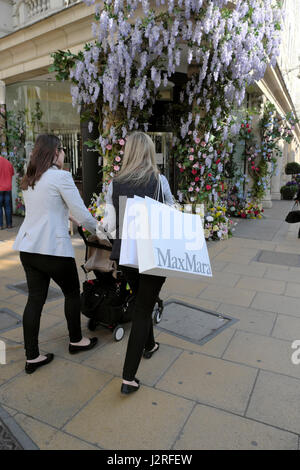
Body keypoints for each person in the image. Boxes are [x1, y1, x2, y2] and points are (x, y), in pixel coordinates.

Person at [13, 134, 98, 374]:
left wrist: (64, 214)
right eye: (61, 149)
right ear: (53, 152)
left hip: (29, 249)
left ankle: (33, 356)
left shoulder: (29, 179)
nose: (63, 154)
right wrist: (101, 231)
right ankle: (76, 341)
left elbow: (45, 209)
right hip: (53, 250)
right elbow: (82, 214)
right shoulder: (61, 177)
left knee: (34, 300)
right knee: (72, 293)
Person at [98, 132, 174, 394]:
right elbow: (171, 213)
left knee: (143, 300)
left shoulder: (114, 184)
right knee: (143, 308)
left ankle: (149, 345)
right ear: (149, 152)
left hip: (126, 256)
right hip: (151, 254)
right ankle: (128, 378)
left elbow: (108, 224)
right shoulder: (158, 181)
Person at [0, 154, 14, 229]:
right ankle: (9, 224)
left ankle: (0, 225)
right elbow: (12, 173)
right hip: (8, 188)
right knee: (8, 207)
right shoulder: (8, 162)